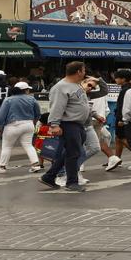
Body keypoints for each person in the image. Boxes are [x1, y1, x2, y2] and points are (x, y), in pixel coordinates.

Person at [39, 61, 91, 192]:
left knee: (70, 152)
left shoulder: (76, 85)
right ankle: (71, 182)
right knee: (73, 154)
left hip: (78, 124)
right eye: (83, 70)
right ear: (78, 71)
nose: (85, 73)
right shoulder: (61, 87)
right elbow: (57, 107)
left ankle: (49, 176)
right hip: (68, 124)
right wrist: (54, 125)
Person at [0, 82, 43, 174]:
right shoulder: (32, 99)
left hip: (12, 125)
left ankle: (2, 167)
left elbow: (2, 115)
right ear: (24, 90)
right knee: (28, 145)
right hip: (28, 124)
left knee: (7, 146)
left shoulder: (8, 100)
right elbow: (38, 113)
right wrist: (34, 121)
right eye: (27, 89)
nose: (29, 91)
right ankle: (35, 165)